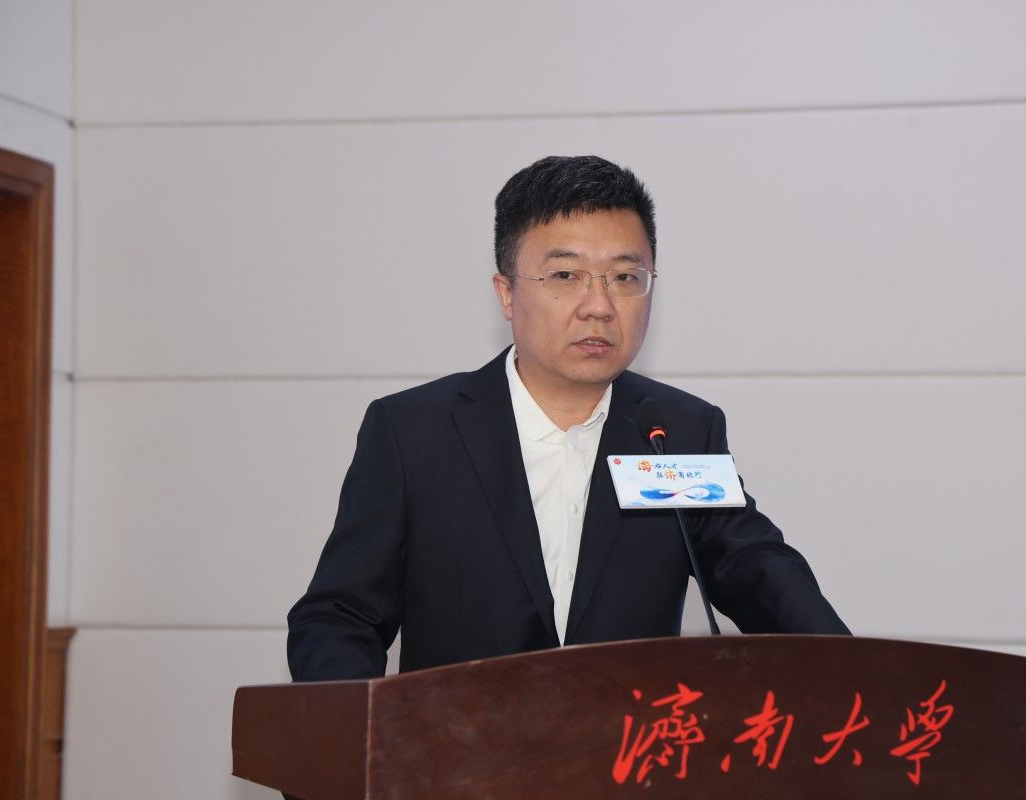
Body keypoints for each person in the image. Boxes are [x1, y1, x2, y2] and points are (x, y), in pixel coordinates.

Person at [287, 155, 848, 681]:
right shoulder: (415, 433)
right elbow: (340, 618)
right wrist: (363, 736)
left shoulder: (676, 432)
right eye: (565, 276)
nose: (599, 306)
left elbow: (758, 572)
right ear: (507, 293)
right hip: (455, 749)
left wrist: (858, 674)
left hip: (626, 750)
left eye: (625, 277)